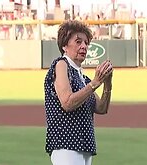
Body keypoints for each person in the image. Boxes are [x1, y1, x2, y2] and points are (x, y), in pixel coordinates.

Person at [44, 20, 113, 165]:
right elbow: (67, 102)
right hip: (66, 144)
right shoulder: (61, 65)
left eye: (86, 43)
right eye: (78, 41)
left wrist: (107, 83)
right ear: (65, 45)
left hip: (83, 145)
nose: (84, 46)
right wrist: (94, 83)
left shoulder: (81, 76)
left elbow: (101, 108)